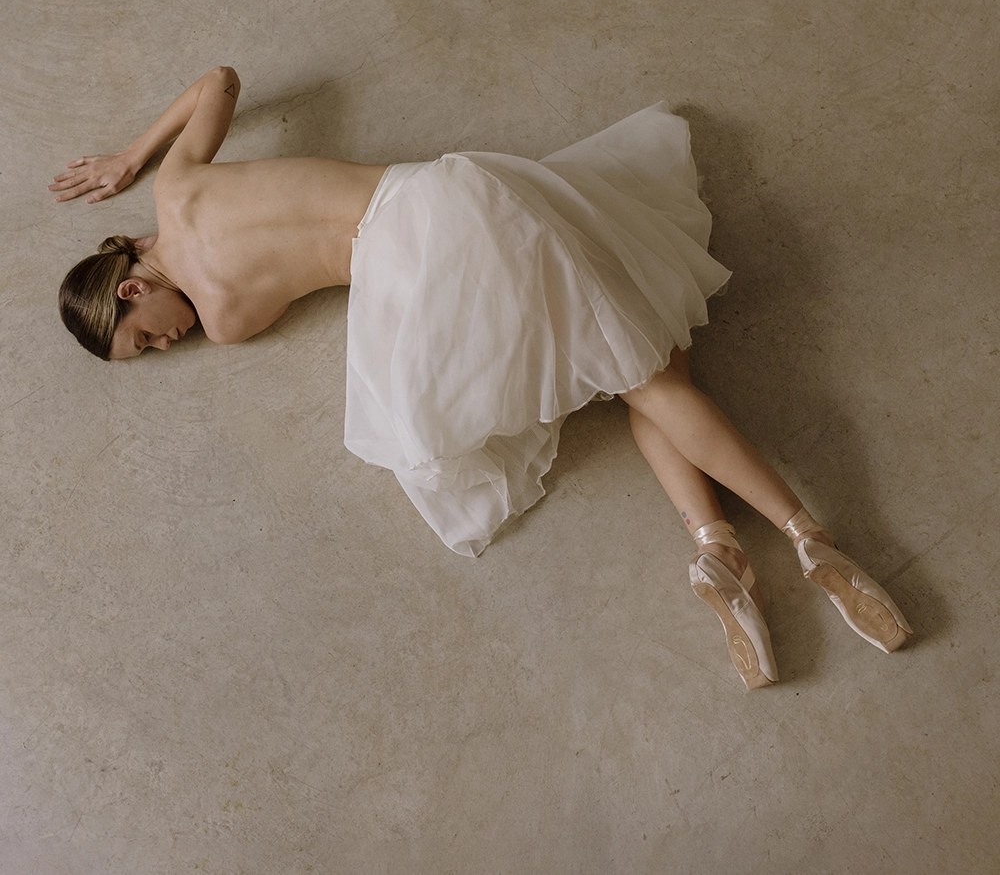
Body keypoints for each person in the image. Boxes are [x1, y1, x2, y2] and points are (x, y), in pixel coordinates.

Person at [51, 66, 912, 689]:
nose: (169, 345)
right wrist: (135, 156)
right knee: (643, 358)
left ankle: (744, 543)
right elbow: (221, 80)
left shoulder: (226, 320)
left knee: (637, 370)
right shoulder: (177, 188)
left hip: (414, 268)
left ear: (129, 290)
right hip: (443, 193)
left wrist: (135, 181)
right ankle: (776, 539)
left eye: (145, 340)